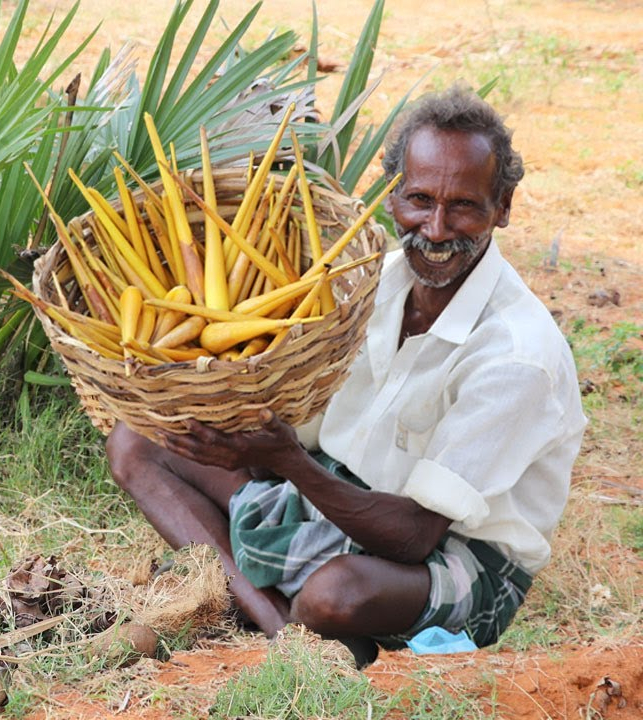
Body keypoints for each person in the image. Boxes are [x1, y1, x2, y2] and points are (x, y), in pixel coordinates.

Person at [106, 84, 586, 668]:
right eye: (419, 199)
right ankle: (277, 622)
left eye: (463, 205)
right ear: (391, 195)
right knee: (137, 444)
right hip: (339, 488)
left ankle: (299, 616)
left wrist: (284, 463)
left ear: (503, 207)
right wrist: (245, 433)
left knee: (339, 594)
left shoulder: (516, 353)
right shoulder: (368, 283)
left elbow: (415, 535)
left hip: (457, 550)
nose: (435, 229)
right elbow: (298, 440)